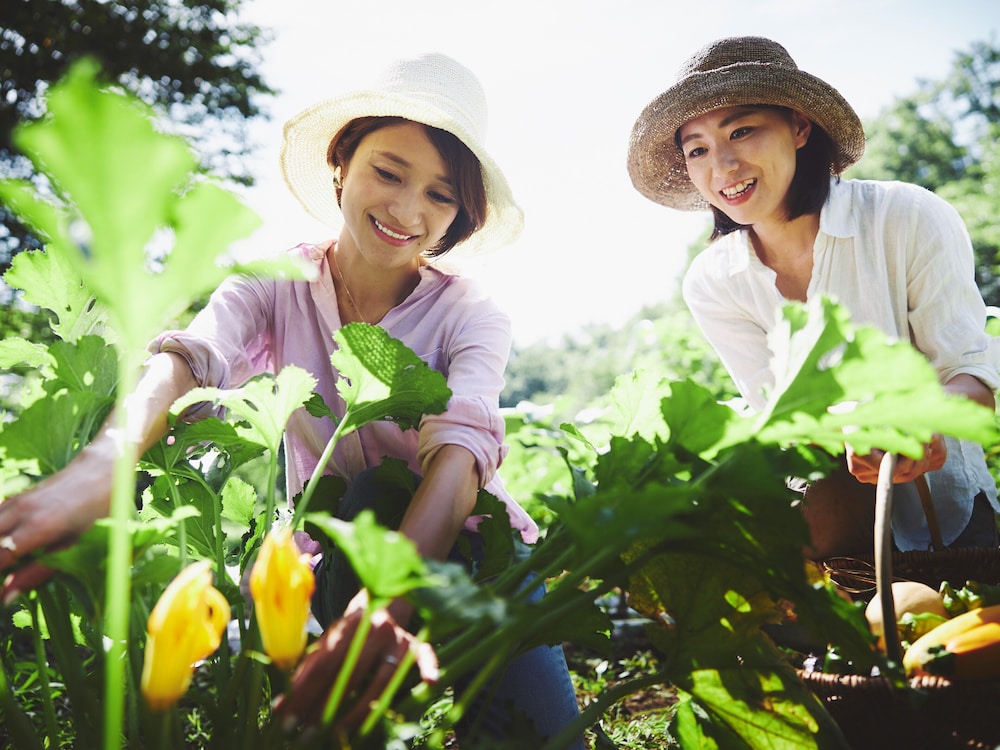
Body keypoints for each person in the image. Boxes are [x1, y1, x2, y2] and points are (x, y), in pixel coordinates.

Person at [0, 52, 582, 746]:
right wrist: (97, 475)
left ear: (460, 216)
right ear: (342, 164)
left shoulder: (472, 313)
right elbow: (190, 360)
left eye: (439, 195)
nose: (406, 210)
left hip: (477, 556)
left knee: (542, 738)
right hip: (341, 553)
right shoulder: (272, 285)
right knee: (362, 502)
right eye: (388, 173)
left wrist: (387, 605)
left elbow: (459, 455)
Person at [626, 35, 1000, 560]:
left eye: (742, 130)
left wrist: (922, 421)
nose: (724, 165)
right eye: (698, 149)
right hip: (836, 532)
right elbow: (784, 425)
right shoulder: (713, 282)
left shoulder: (905, 217)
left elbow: (973, 375)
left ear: (800, 127)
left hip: (955, 519)